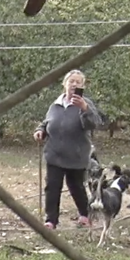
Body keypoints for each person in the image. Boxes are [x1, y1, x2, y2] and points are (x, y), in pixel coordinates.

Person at [33, 70, 106, 230]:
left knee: (76, 186)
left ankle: (85, 214)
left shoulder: (85, 104)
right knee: (52, 187)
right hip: (54, 154)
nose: (74, 84)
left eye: (78, 82)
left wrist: (84, 109)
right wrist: (41, 131)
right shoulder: (55, 104)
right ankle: (51, 220)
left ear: (83, 86)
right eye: (71, 81)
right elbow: (47, 122)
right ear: (64, 84)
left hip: (77, 155)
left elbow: (94, 123)